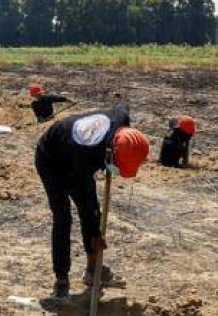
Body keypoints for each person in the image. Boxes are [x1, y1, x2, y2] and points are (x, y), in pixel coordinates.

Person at [33, 104, 149, 302]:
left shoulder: (121, 119)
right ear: (110, 152)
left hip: (74, 151)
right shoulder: (86, 156)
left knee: (93, 213)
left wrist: (94, 228)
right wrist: (95, 234)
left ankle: (93, 271)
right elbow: (86, 202)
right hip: (51, 159)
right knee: (63, 217)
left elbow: (122, 105)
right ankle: (61, 280)